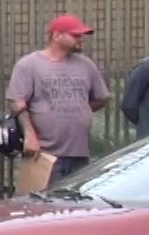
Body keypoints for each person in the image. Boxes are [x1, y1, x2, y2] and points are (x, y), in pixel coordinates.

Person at [8, 14, 111, 187]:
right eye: (76, 35)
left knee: (74, 207)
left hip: (79, 152)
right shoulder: (29, 64)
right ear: (56, 36)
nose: (81, 40)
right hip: (45, 153)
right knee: (44, 205)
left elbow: (102, 97)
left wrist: (80, 111)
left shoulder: (85, 64)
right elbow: (17, 101)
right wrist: (29, 134)